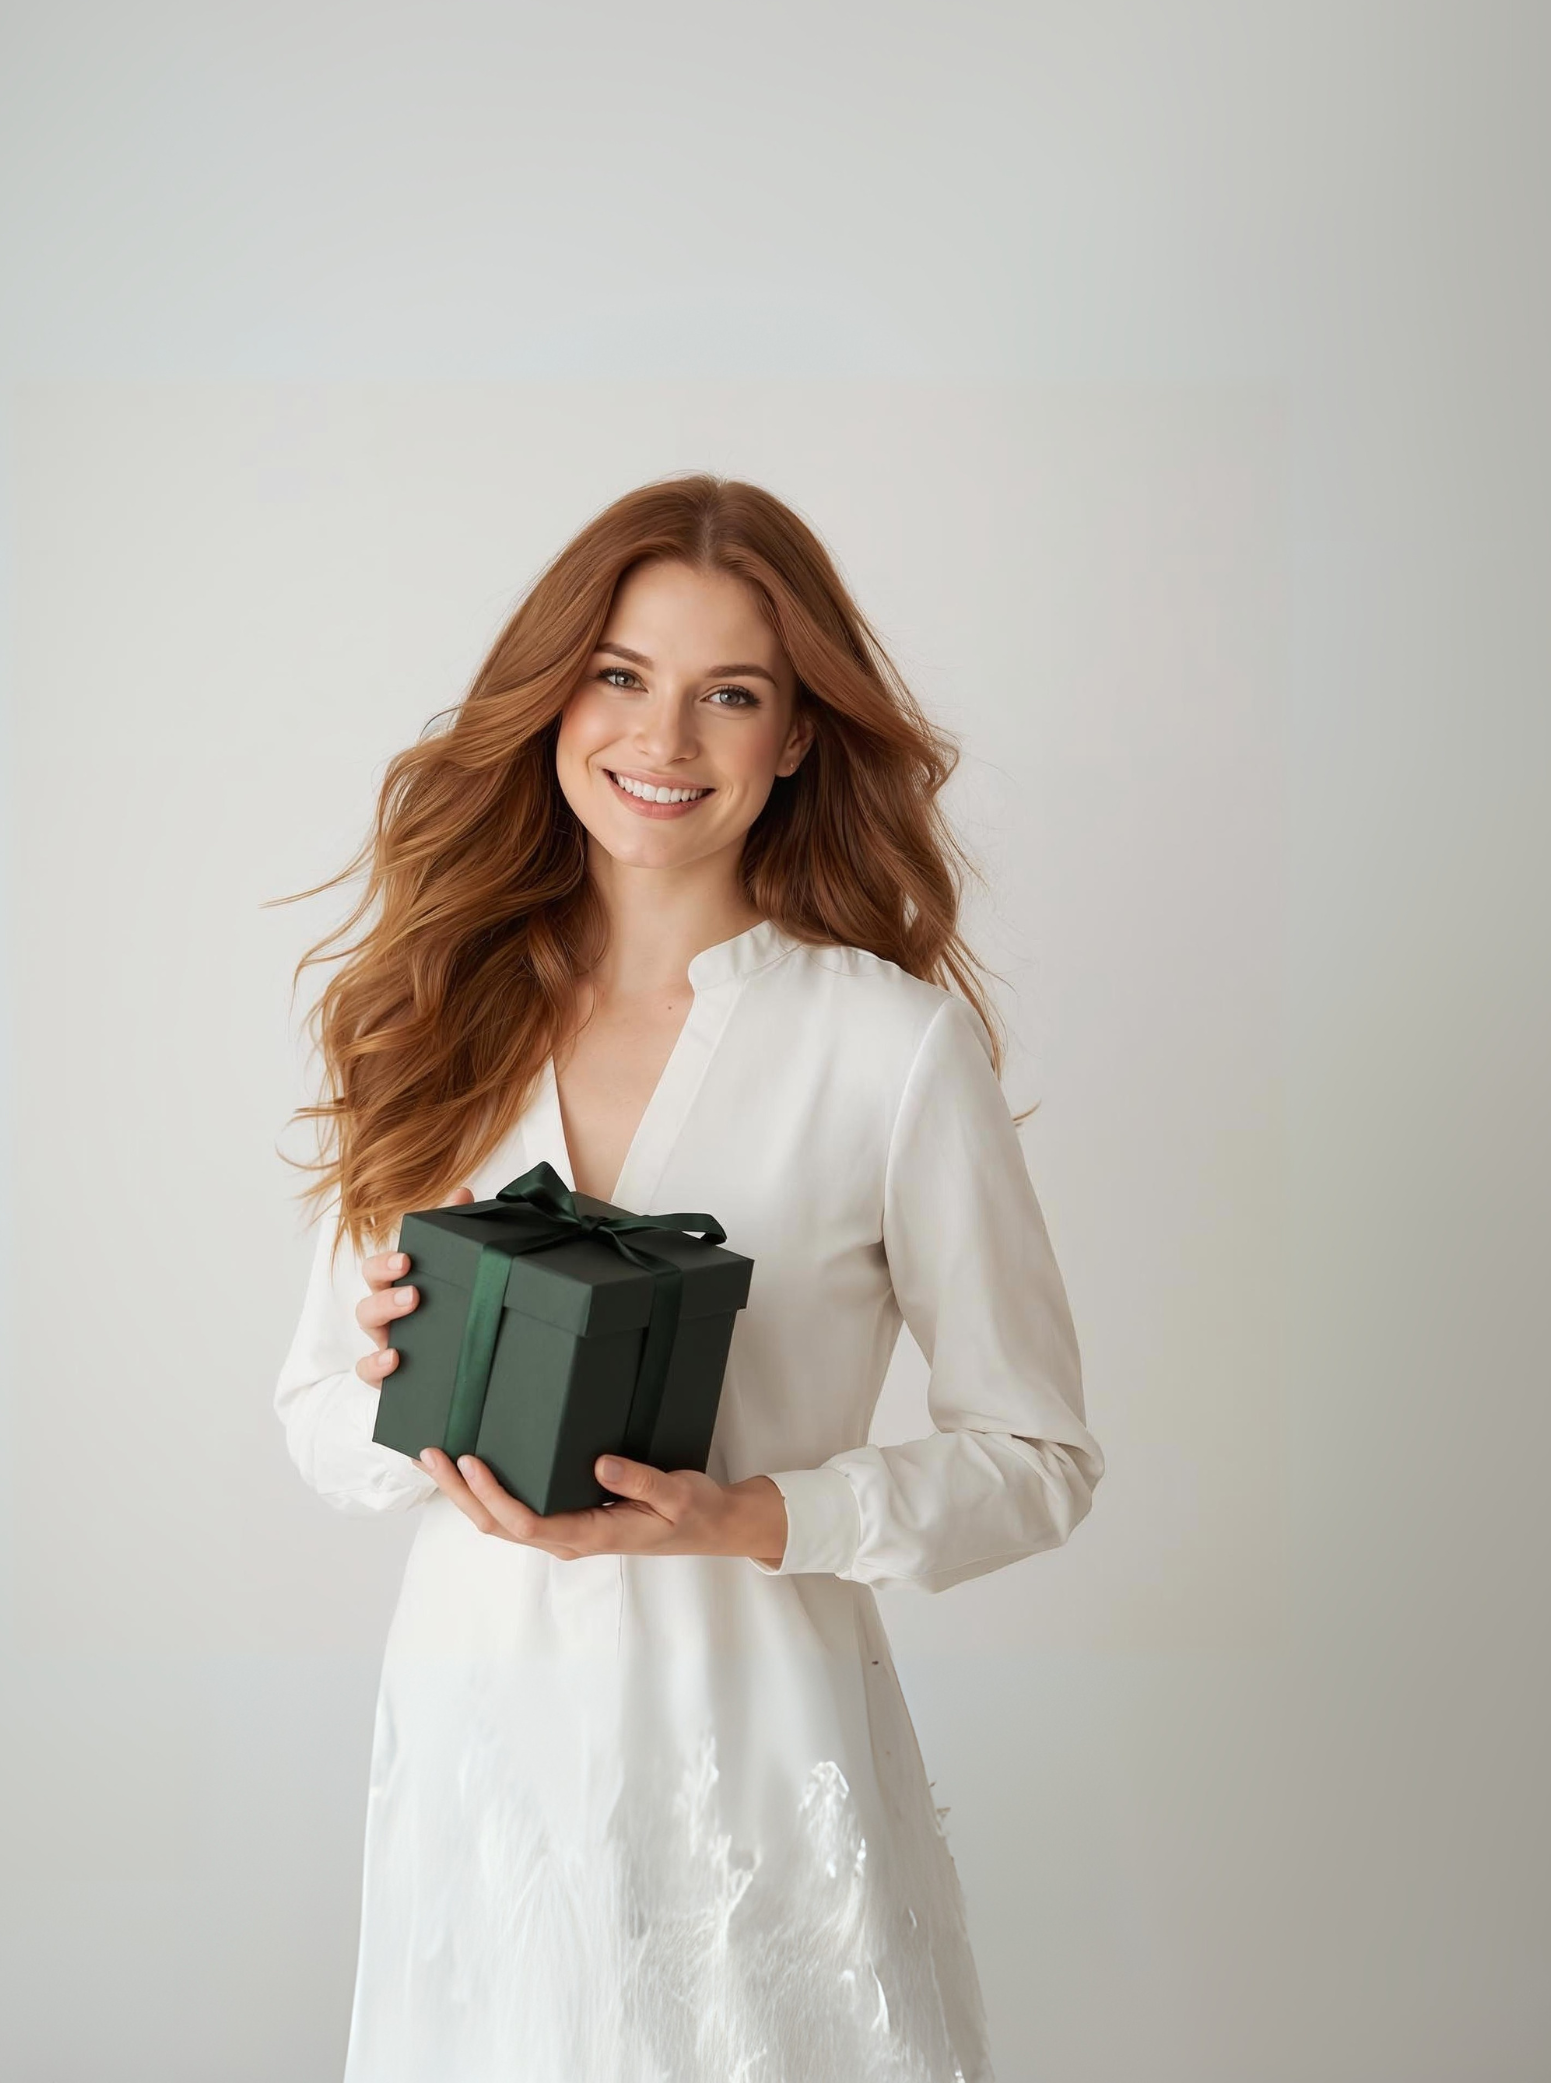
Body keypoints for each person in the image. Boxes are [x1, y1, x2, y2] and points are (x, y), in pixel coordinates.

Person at [273, 473, 1103, 2083]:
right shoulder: (439, 1015)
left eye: (730, 694)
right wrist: (383, 1378)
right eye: (621, 677)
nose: (664, 741)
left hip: (756, 1760)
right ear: (557, 695)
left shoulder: (887, 1048)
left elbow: (1040, 1462)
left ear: (796, 735)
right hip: (481, 1772)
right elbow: (313, 1416)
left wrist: (764, 1515)